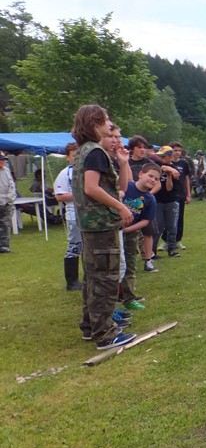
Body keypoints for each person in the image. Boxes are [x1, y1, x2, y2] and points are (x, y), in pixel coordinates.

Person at [71, 105, 136, 350]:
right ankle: (105, 334)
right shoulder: (96, 151)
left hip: (90, 224)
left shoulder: (83, 151)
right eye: (106, 119)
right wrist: (120, 207)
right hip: (101, 224)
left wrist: (122, 165)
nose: (110, 124)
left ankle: (90, 326)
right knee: (105, 279)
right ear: (94, 123)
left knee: (92, 277)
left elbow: (110, 187)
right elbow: (91, 188)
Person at [119, 163, 158, 311]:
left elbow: (145, 221)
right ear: (141, 174)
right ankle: (114, 295)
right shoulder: (127, 187)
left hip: (131, 234)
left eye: (156, 179)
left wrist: (127, 230)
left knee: (130, 266)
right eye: (150, 176)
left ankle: (129, 298)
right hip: (113, 231)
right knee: (114, 265)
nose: (153, 180)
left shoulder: (150, 199)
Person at [53, 143, 83, 289]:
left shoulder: (86, 171)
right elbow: (59, 196)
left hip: (88, 214)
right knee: (75, 245)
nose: (77, 159)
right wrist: (80, 194)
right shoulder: (65, 174)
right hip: (73, 214)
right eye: (74, 156)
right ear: (67, 157)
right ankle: (72, 281)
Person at [154, 146, 181, 258]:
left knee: (172, 226)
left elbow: (169, 188)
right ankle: (152, 251)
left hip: (171, 200)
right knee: (158, 227)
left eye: (163, 156)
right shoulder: (157, 165)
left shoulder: (175, 169)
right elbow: (161, 167)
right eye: (160, 156)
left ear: (170, 156)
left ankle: (172, 249)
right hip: (158, 200)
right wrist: (168, 169)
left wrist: (170, 174)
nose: (161, 158)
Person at [169, 141, 191, 249]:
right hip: (169, 195)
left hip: (181, 194)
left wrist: (188, 194)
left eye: (179, 150)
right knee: (168, 219)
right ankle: (166, 241)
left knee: (179, 218)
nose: (177, 152)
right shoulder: (167, 164)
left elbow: (186, 179)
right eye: (175, 150)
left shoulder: (184, 164)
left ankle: (178, 240)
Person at [0, 153, 15, 254]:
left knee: (6, 224)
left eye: (3, 160)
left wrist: (11, 197)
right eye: (1, 160)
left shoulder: (6, 170)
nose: (2, 162)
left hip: (7, 202)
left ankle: (4, 246)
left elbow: (11, 185)